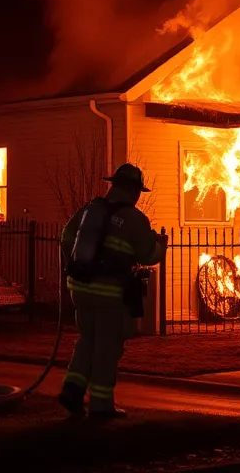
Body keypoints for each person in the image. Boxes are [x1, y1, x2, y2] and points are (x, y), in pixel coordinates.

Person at [58, 163, 167, 418]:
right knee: (108, 346)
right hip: (109, 292)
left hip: (80, 289)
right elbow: (147, 255)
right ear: (133, 190)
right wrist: (161, 245)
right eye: (138, 190)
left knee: (88, 339)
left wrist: (78, 266)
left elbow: (65, 238)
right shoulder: (135, 219)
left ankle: (72, 390)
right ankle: (101, 406)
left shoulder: (90, 209)